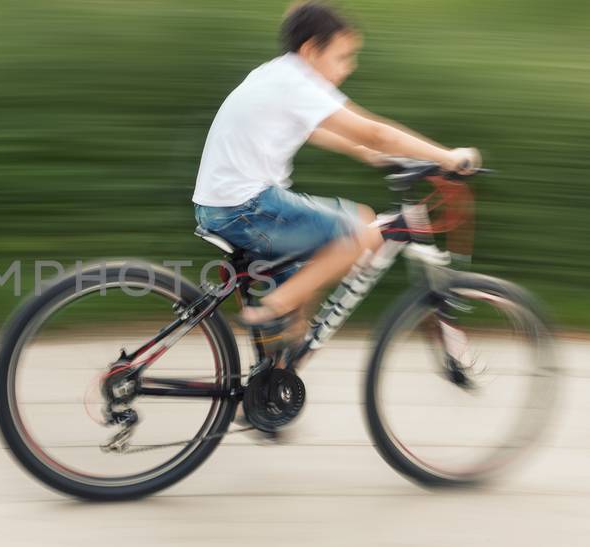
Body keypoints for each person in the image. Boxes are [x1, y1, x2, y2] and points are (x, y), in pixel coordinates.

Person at [193, 2, 479, 340]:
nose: (349, 67)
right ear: (311, 50)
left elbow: (314, 129)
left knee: (299, 311)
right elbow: (375, 132)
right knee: (362, 229)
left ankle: (272, 376)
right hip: (246, 209)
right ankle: (275, 305)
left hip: (225, 206)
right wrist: (447, 157)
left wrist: (367, 154)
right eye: (342, 57)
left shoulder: (274, 74)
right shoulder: (296, 82)